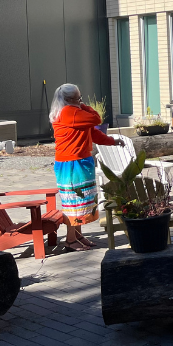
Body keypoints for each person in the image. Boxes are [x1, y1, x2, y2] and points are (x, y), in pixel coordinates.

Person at [50, 83, 123, 252]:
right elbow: (96, 119)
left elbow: (92, 132)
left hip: (79, 161)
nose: (81, 101)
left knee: (80, 201)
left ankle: (77, 235)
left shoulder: (73, 113)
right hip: (71, 163)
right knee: (73, 203)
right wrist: (82, 105)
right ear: (69, 100)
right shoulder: (70, 112)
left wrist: (112, 141)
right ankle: (70, 240)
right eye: (78, 98)